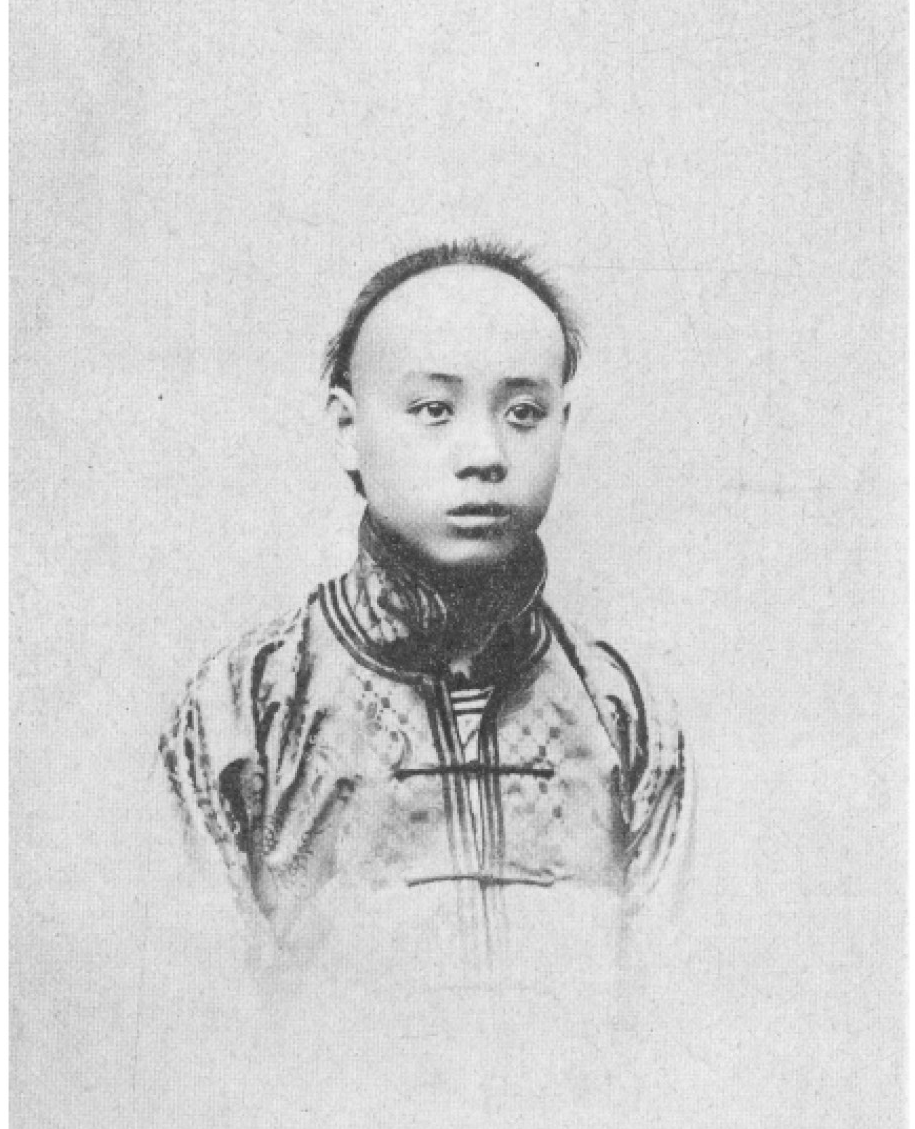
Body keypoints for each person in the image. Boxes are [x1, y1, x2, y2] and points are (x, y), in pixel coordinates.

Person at [159, 240, 691, 985]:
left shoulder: (622, 709)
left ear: (563, 423)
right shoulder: (241, 708)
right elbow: (202, 1015)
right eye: (434, 410)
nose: (486, 453)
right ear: (348, 428)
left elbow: (671, 1010)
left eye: (524, 412)